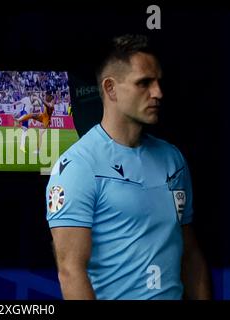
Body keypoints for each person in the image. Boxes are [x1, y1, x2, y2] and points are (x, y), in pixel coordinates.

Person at [46, 34, 211, 299]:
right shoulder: (78, 166)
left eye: (158, 82)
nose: (158, 93)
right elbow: (70, 271)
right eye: (144, 83)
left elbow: (190, 255)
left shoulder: (173, 159)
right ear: (110, 88)